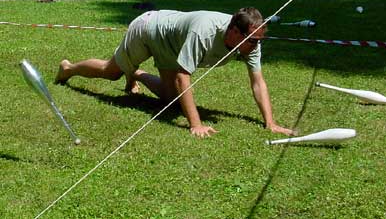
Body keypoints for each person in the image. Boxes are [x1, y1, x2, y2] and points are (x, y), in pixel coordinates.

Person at [55, 7, 296, 138]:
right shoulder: (204, 32)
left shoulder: (252, 43)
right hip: (149, 29)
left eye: (258, 41)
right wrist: (196, 124)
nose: (255, 46)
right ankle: (68, 68)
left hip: (172, 47)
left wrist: (270, 122)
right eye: (251, 41)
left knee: (171, 100)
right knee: (111, 72)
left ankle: (136, 73)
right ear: (233, 31)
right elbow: (183, 76)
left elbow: (258, 82)